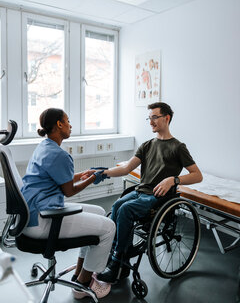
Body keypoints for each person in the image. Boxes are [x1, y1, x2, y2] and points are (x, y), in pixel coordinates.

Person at [97, 102, 203, 283]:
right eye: (149, 118)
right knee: (116, 206)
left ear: (166, 118)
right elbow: (126, 169)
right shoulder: (147, 145)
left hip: (158, 197)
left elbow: (197, 175)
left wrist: (173, 179)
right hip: (140, 192)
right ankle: (120, 258)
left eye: (154, 117)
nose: (151, 122)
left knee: (125, 210)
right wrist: (102, 173)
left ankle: (116, 261)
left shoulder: (178, 147)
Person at [21, 108, 115, 299]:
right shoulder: (60, 155)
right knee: (108, 228)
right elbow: (69, 191)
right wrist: (93, 178)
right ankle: (83, 284)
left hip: (30, 214)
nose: (71, 125)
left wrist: (83, 173)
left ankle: (80, 271)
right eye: (68, 120)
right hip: (43, 219)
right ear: (59, 124)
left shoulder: (44, 147)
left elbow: (57, 178)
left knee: (99, 211)